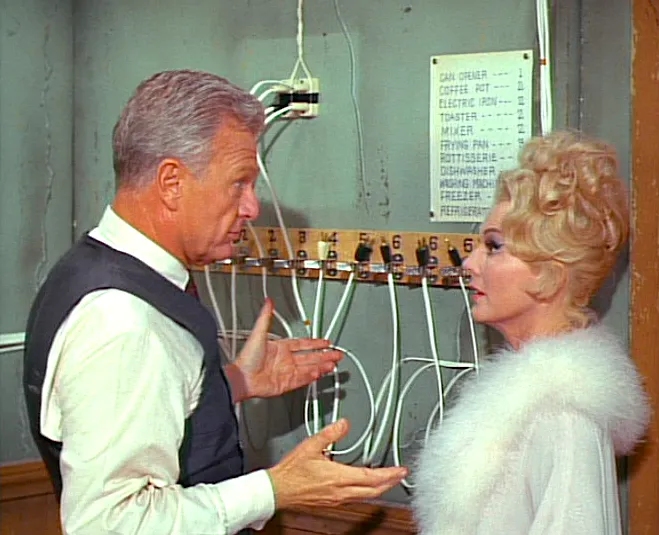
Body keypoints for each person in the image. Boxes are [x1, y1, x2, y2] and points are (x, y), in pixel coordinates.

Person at [23, 69, 407, 535]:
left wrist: (233, 383)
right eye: (239, 182)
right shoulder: (123, 321)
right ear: (171, 182)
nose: (252, 207)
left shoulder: (92, 268)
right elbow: (110, 524)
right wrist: (274, 490)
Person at [412, 131, 650, 534]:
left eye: (494, 246)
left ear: (550, 273)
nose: (469, 264)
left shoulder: (564, 416)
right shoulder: (528, 402)